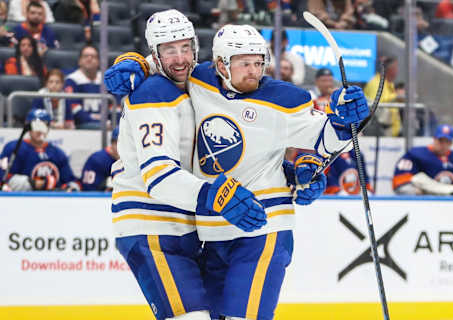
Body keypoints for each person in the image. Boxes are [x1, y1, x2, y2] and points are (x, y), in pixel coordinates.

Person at [106, 23, 369, 320]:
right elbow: (167, 60)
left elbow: (328, 139)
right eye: (244, 64)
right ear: (221, 64)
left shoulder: (283, 99)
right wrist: (134, 62)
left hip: (262, 227)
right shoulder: (197, 80)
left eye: (259, 63)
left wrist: (346, 120)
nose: (254, 71)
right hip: (211, 234)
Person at [105, 10, 278, 320]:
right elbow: (159, 175)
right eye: (169, 50)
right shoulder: (152, 93)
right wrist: (217, 196)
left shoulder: (199, 84)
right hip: (150, 225)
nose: (181, 58)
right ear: (155, 54)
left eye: (186, 47)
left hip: (187, 229)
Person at [0, 109, 81, 192]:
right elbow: (3, 179)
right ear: (28, 127)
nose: (39, 130)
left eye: (43, 126)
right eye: (36, 126)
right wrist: (34, 183)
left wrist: (70, 188)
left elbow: (70, 181)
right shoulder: (14, 148)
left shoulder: (58, 153)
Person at [392, 124, 453, 196]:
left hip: (452, 201)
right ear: (434, 139)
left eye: (447, 141)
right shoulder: (415, 154)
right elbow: (401, 181)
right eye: (440, 141)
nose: (443, 145)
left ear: (452, 143)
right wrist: (419, 192)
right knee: (410, 188)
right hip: (424, 200)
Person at [64, 45, 105, 129]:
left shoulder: (107, 80)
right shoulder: (72, 80)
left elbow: (116, 105)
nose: (89, 59)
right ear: (79, 61)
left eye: (93, 56)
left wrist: (109, 121)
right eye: (86, 56)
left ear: (98, 62)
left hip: (106, 124)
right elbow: (74, 109)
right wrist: (96, 121)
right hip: (82, 126)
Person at [364, 56, 402, 136]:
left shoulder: (389, 83)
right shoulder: (374, 84)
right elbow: (375, 107)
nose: (397, 71)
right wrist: (396, 96)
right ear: (390, 70)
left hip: (391, 131)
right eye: (396, 68)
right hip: (379, 132)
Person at [81, 127, 119, 191]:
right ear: (113, 144)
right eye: (120, 143)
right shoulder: (97, 160)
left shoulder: (135, 159)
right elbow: (88, 191)